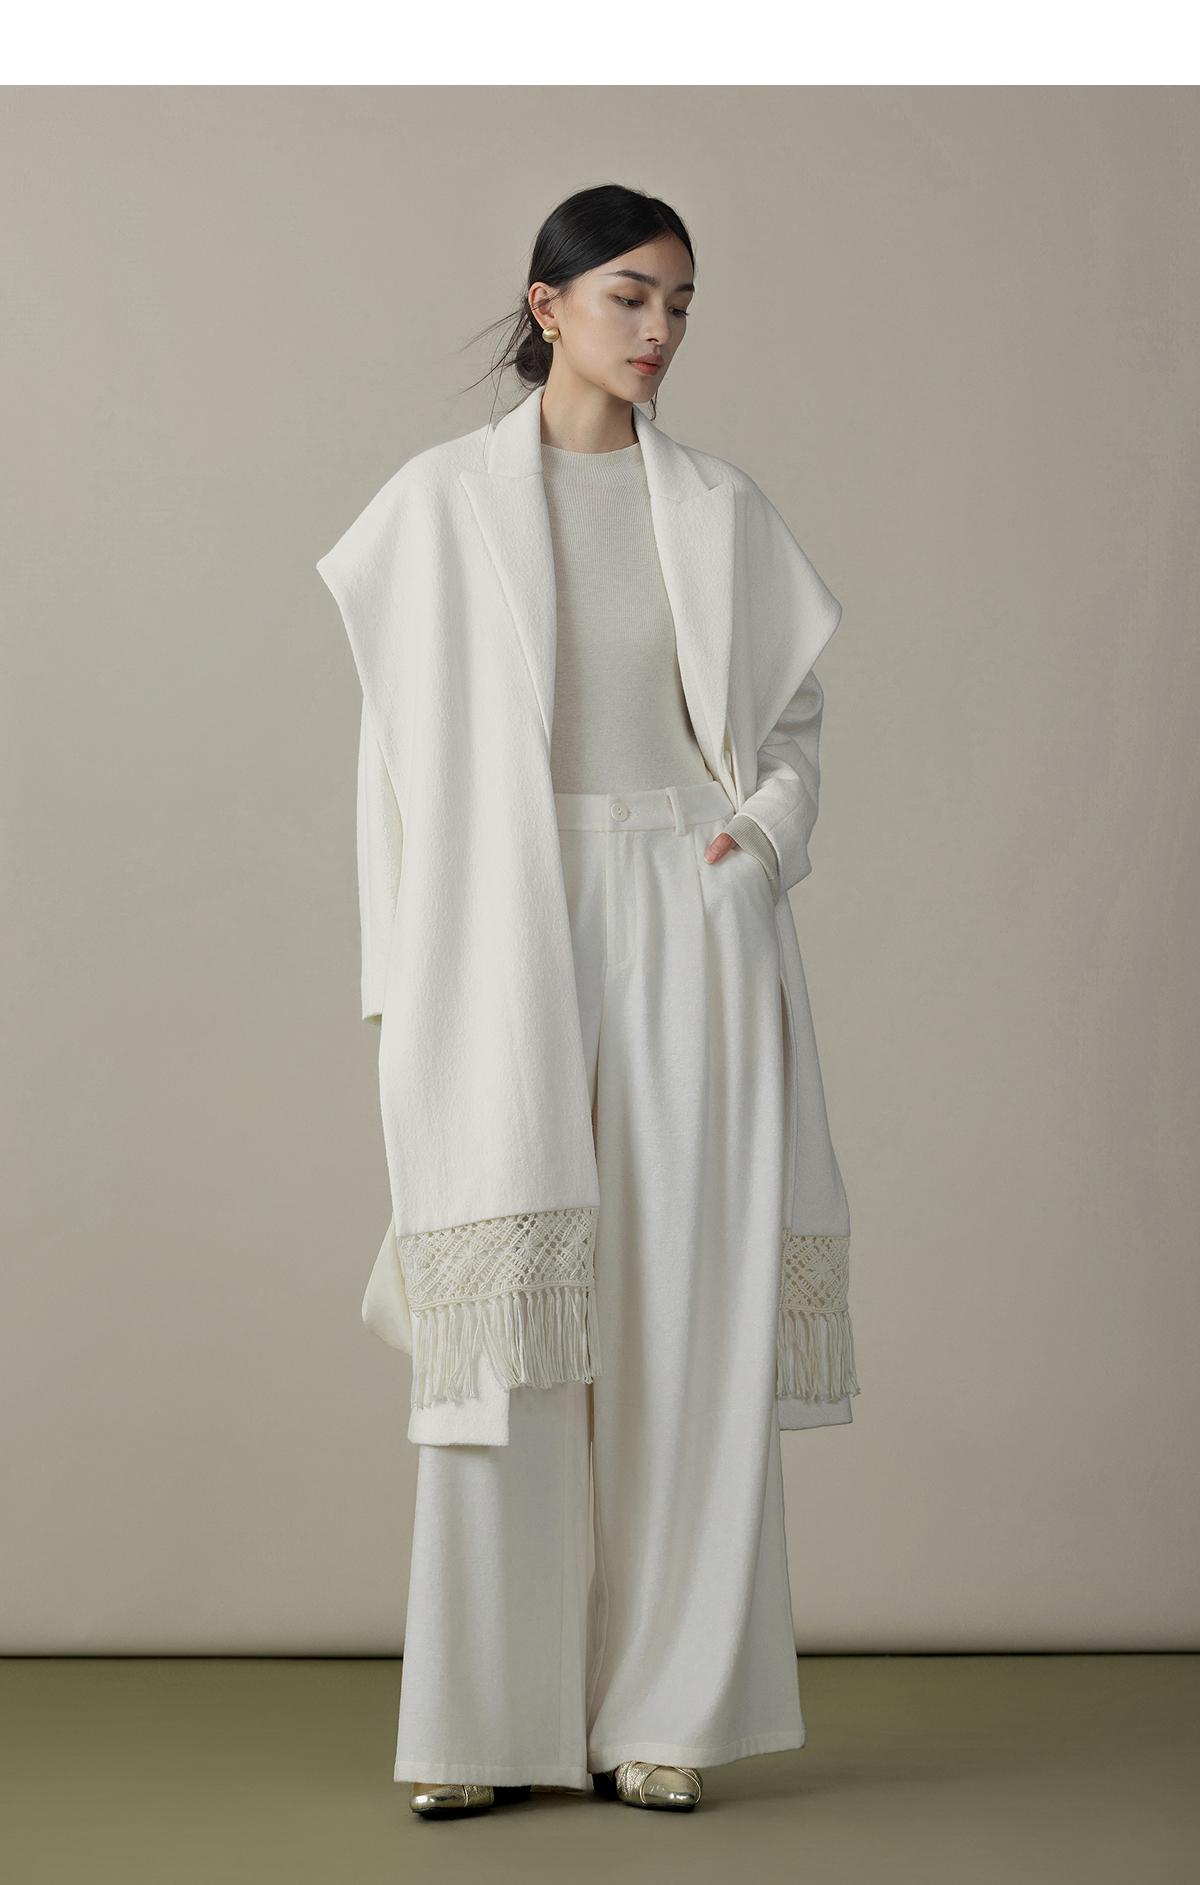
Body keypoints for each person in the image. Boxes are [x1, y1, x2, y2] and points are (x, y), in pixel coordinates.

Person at [317, 182, 858, 1821]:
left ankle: (665, 1714)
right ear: (546, 304)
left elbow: (790, 728)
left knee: (688, 1315)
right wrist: (404, 982)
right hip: (507, 918)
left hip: (687, 907)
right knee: (508, 1332)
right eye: (631, 295)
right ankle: (482, 1725)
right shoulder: (437, 508)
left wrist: (754, 849)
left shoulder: (721, 507)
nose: (661, 329)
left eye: (681, 303)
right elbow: (391, 772)